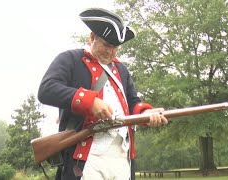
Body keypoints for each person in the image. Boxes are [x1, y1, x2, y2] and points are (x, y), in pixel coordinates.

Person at [38, 7, 168, 180]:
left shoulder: (121, 69)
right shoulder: (70, 59)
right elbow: (47, 89)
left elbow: (133, 102)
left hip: (121, 153)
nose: (110, 51)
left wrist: (145, 113)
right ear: (92, 37)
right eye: (106, 45)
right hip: (87, 154)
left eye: (115, 47)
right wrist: (90, 101)